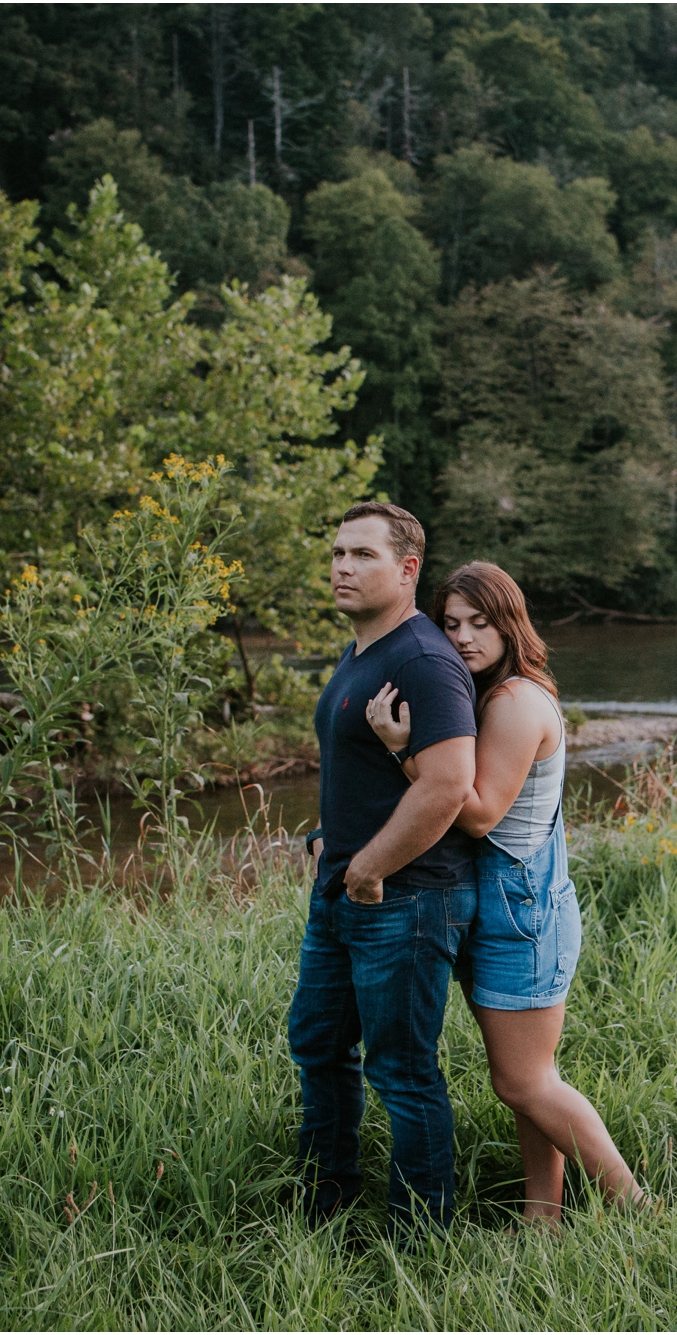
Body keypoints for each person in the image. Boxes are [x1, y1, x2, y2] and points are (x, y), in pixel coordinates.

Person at [368, 560, 645, 1224]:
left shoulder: (516, 702)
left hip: (523, 907)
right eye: (452, 623)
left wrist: (403, 751)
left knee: (524, 1080)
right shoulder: (494, 693)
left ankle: (638, 1209)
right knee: (525, 1081)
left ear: (510, 622)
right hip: (503, 900)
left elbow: (481, 812)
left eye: (480, 622)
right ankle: (541, 1217)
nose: (463, 636)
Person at [288, 502, 479, 1235]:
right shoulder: (362, 650)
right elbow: (367, 770)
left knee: (401, 1071)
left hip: (406, 898)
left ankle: (419, 1235)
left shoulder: (424, 660)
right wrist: (326, 839)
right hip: (345, 891)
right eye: (337, 551)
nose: (341, 565)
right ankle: (323, 1204)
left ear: (407, 569)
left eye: (361, 554)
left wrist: (368, 867)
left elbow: (446, 784)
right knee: (318, 1043)